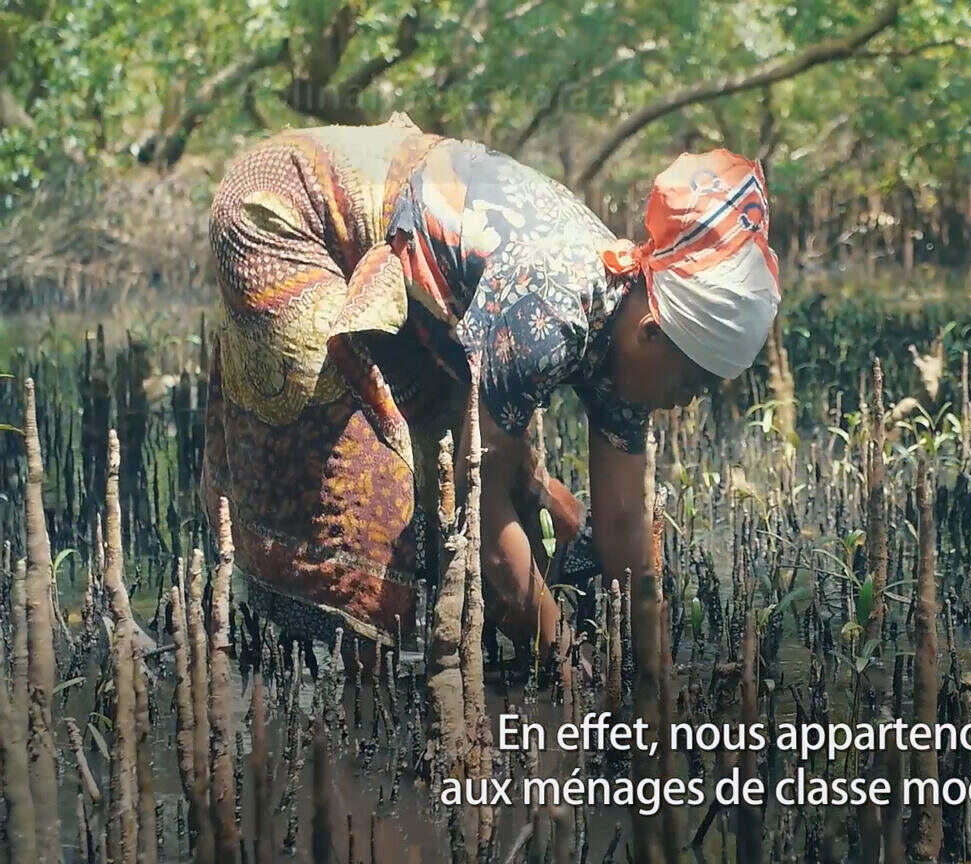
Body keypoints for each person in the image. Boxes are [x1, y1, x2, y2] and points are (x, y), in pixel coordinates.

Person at [200, 113, 780, 658]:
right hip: (287, 209)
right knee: (361, 496)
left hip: (403, 246)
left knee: (466, 457)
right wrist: (562, 664)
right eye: (692, 381)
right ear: (652, 332)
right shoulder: (551, 314)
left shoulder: (627, 331)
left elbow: (624, 522)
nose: (687, 401)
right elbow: (482, 512)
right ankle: (311, 670)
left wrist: (651, 674)